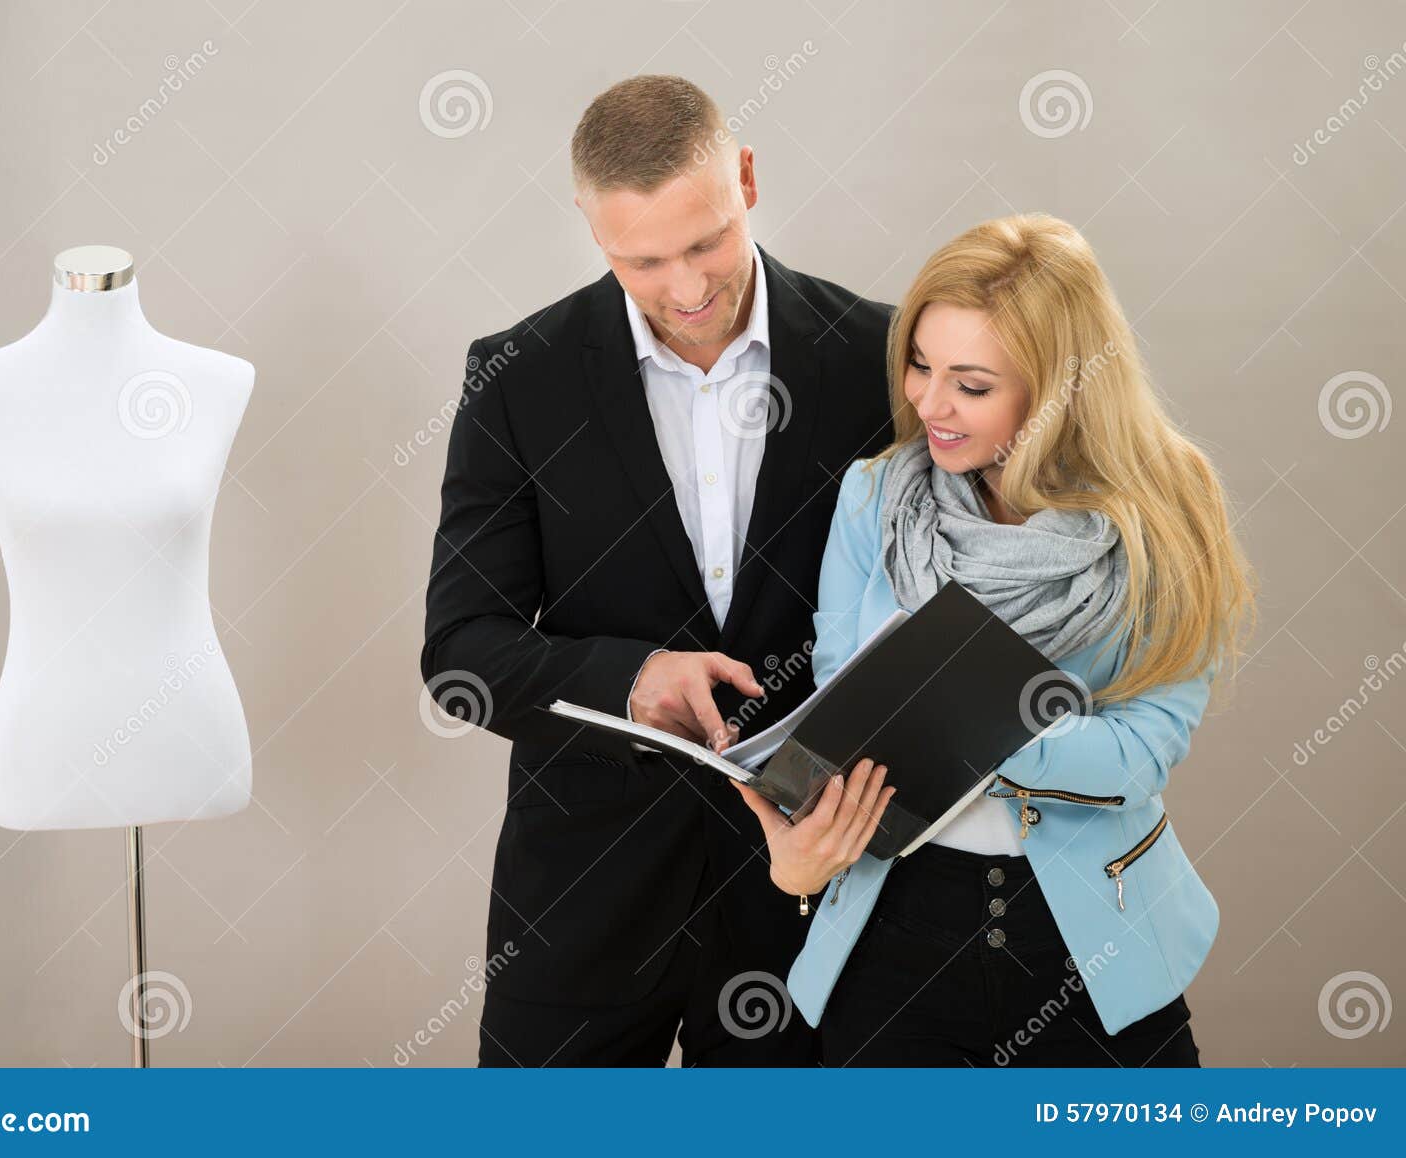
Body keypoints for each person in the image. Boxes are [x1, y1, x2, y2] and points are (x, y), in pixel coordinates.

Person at [420, 74, 895, 1065]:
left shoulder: (881, 358)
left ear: (748, 180)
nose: (685, 289)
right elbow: (462, 650)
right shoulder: (516, 380)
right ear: (591, 230)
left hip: (810, 895)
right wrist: (629, 680)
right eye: (642, 260)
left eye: (705, 242)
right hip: (581, 901)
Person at [734, 212, 1257, 1066]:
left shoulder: (1167, 511)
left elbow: (1143, 753)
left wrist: (974, 721)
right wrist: (799, 844)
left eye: (971, 385)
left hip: (1093, 935)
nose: (928, 404)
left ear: (1059, 392)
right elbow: (840, 707)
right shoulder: (875, 499)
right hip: (892, 929)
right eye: (919, 364)